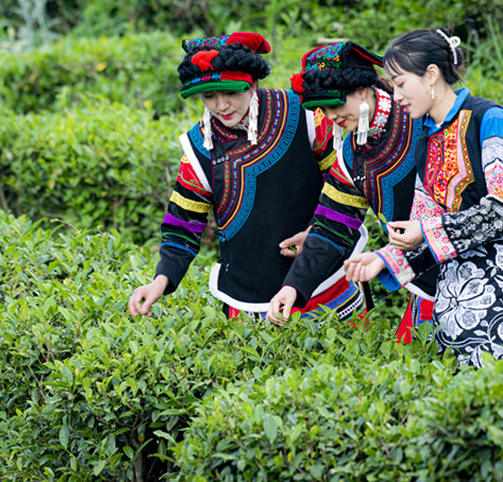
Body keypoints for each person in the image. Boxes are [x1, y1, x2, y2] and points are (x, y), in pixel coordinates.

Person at [345, 28, 503, 367]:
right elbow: (426, 226)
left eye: (400, 84)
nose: (396, 96)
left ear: (431, 75)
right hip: (450, 298)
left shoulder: (490, 120)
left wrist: (426, 230)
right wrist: (383, 258)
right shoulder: (426, 140)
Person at [128, 32, 364, 321]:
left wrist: (317, 234)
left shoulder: (304, 114)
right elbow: (183, 223)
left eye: (231, 92)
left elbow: (346, 188)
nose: (221, 106)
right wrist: (160, 280)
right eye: (209, 96)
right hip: (247, 297)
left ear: (252, 84)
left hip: (328, 279)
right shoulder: (198, 147)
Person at [267, 41, 438, 339]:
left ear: (361, 90)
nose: (330, 116)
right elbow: (333, 225)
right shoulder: (351, 153)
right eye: (323, 109)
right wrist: (293, 286)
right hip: (424, 280)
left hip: (470, 264)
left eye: (335, 105)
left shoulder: (420, 121)